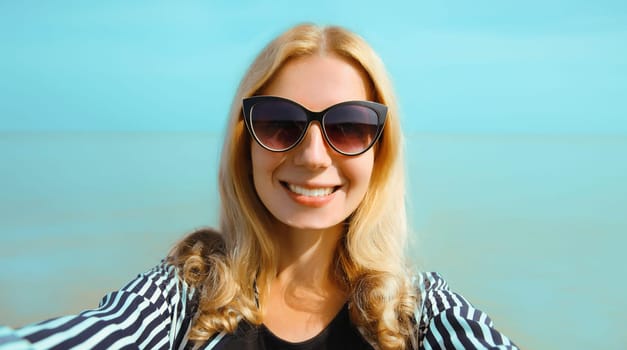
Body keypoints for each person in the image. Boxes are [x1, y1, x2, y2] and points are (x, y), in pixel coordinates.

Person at [0, 23, 518, 350]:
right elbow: (102, 333)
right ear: (243, 143)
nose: (314, 156)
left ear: (379, 151)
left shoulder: (418, 311)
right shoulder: (185, 294)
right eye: (279, 123)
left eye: (349, 126)